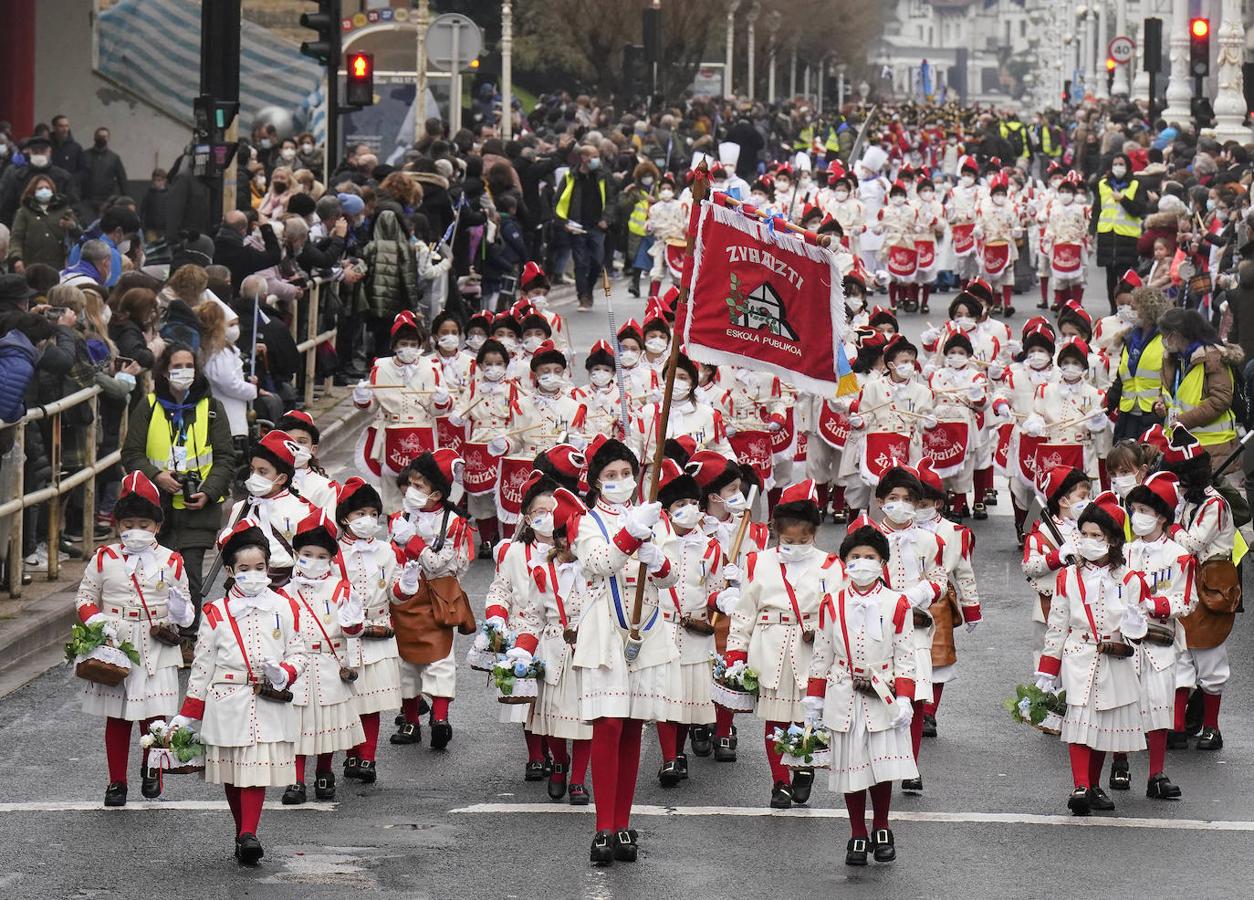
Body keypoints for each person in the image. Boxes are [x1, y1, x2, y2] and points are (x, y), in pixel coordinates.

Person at [170, 520, 308, 866]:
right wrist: (188, 714)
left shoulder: (285, 606)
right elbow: (201, 668)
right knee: (234, 772)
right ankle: (241, 832)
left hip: (266, 699)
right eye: (244, 569)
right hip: (225, 701)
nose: (253, 574)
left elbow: (301, 652)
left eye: (260, 567)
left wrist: (285, 672)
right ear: (230, 570)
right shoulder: (216, 612)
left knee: (255, 769)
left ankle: (249, 833)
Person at [571, 436, 678, 865]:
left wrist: (656, 556)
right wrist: (633, 534)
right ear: (596, 481)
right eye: (611, 475)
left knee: (634, 726)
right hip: (604, 631)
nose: (620, 481)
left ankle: (623, 823)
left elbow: (670, 580)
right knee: (608, 724)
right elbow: (599, 564)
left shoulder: (655, 517)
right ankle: (602, 826)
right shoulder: (587, 521)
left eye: (627, 474)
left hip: (647, 627)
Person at [73, 471, 194, 806]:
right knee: (116, 716)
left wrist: (180, 609)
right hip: (116, 643)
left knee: (153, 715)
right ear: (118, 524)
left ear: (157, 525)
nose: (135, 530)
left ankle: (151, 768)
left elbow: (186, 615)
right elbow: (84, 597)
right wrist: (97, 623)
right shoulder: (103, 557)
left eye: (144, 522)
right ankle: (116, 782)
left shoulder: (172, 560)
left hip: (155, 642)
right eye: (128, 524)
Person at [806, 523, 917, 866]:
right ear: (844, 562)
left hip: (882, 693)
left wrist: (904, 698)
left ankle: (881, 825)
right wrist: (815, 698)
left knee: (880, 768)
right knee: (852, 766)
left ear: (882, 562)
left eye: (870, 557)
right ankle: (857, 831)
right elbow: (822, 653)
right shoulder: (832, 602)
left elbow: (906, 654)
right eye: (855, 557)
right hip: (843, 695)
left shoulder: (897, 602)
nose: (862, 563)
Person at [727, 480, 840, 809]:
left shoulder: (830, 566)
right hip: (770, 645)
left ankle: (803, 768)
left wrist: (818, 629)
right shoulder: (758, 562)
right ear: (777, 533)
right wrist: (736, 653)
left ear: (814, 534)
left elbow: (837, 613)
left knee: (807, 715)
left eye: (803, 540)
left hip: (810, 649)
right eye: (788, 540)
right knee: (775, 718)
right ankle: (780, 782)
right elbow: (745, 612)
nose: (795, 545)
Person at [1036, 491, 1146, 816]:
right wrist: (1046, 670)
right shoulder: (1066, 576)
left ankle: (1094, 785)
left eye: (1096, 535)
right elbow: (1056, 626)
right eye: (1083, 534)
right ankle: (1080, 785)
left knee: (1102, 724)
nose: (1087, 540)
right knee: (1080, 717)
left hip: (1114, 655)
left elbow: (1139, 623)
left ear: (1112, 540)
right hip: (1078, 653)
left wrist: (1131, 618)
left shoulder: (1130, 579)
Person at [121, 344, 237, 632]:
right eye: (177, 366)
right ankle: (156, 630)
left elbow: (225, 458)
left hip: (197, 509)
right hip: (156, 509)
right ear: (164, 371)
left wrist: (208, 492)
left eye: (189, 366)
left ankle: (187, 634)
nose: (184, 372)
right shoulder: (148, 406)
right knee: (158, 573)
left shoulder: (211, 408)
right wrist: (156, 475)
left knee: (190, 576)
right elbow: (131, 453)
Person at [387, 450, 476, 751]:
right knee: (405, 659)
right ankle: (410, 719)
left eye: (419, 485)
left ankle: (440, 718)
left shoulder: (453, 522)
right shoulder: (399, 518)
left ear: (437, 492)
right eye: (410, 483)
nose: (411, 490)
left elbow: (442, 563)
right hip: (405, 594)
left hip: (438, 595)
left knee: (440, 658)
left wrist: (411, 543)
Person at [1113, 471, 1193, 799]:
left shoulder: (1178, 555)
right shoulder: (1123, 551)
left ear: (1161, 516)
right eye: (1135, 509)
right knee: (1120, 702)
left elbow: (1186, 600)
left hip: (1159, 639)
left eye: (1145, 511)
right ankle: (1120, 764)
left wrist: (1155, 604)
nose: (1138, 516)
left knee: (1158, 703)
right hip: (1125, 639)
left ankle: (1156, 773)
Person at [1161, 427, 1241, 752]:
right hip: (1185, 582)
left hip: (1212, 583)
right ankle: (1177, 727)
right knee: (1180, 654)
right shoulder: (1188, 502)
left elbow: (1192, 542)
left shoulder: (1214, 505)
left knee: (1209, 656)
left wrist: (1173, 526)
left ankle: (1212, 727)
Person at [281, 512, 366, 805]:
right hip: (298, 665)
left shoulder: (341, 589)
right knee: (298, 724)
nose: (313, 560)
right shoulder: (284, 592)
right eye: (306, 554)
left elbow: (353, 631)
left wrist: (354, 618)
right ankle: (296, 778)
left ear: (331, 558)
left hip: (330, 663)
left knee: (326, 722)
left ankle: (325, 772)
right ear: (296, 553)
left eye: (321, 555)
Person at [351, 311, 453, 514]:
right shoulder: (380, 367)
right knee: (392, 492)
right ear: (394, 345)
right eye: (403, 343)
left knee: (423, 488)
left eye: (413, 344)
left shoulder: (431, 367)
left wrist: (442, 400)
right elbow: (371, 406)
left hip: (423, 433)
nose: (408, 348)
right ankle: (394, 534)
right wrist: (362, 397)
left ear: (421, 345)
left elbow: (441, 408)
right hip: (390, 435)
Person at [1155, 308, 1244, 478]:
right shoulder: (1174, 358)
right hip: (1183, 442)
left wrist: (1181, 421)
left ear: (1175, 334)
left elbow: (1220, 400)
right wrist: (1159, 404)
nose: (1162, 340)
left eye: (1164, 335)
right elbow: (1170, 392)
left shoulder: (1212, 357)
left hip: (1211, 446)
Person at [226, 430, 316, 584]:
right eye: (252, 470)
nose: (254, 477)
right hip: (246, 587)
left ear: (281, 478)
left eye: (263, 472)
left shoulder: (303, 510)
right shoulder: (240, 508)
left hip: (288, 587)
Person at [554, 143, 611, 311]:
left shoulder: (603, 176)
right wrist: (563, 222)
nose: (596, 160)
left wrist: (606, 219)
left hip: (597, 226)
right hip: (576, 226)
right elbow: (559, 200)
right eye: (593, 156)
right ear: (583, 158)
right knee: (580, 263)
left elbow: (611, 200)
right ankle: (583, 296)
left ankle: (589, 288)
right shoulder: (570, 176)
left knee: (597, 261)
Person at [196, 301, 258, 445]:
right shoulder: (219, 351)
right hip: (227, 413)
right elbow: (227, 381)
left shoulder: (209, 348)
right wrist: (250, 389)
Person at [1092, 153, 1147, 314]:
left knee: (1125, 277)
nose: (1118, 167)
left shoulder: (1136, 184)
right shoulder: (1103, 184)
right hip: (1107, 235)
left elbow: (1139, 209)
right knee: (1110, 276)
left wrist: (1122, 199)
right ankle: (1113, 309)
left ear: (1128, 166)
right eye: (1115, 164)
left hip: (1127, 237)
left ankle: (1126, 308)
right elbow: (1097, 209)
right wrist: (1091, 230)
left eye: (1121, 164)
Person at [7, 174, 76, 272]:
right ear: (33, 191)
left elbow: (78, 234)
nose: (44, 190)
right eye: (40, 188)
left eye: (47, 187)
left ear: (52, 190)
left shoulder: (64, 210)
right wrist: (17, 258)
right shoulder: (23, 212)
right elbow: (16, 238)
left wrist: (72, 226)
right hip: (31, 267)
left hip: (59, 267)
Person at [81, 127, 129, 214]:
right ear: (94, 137)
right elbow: (77, 177)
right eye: (100, 136)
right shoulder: (84, 156)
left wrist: (126, 200)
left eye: (105, 136)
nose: (102, 139)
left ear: (109, 138)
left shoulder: (114, 158)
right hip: (87, 200)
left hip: (107, 201)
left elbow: (122, 179)